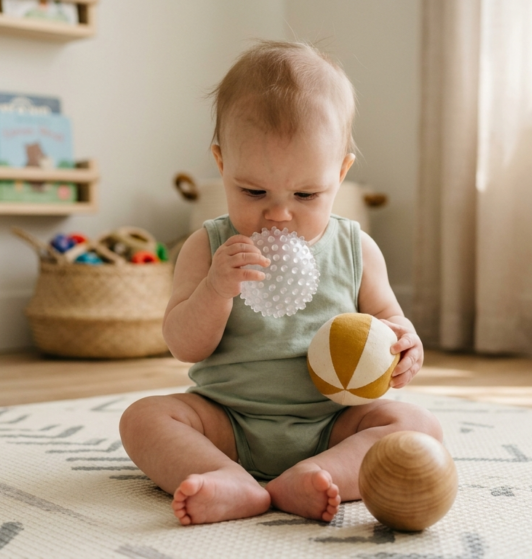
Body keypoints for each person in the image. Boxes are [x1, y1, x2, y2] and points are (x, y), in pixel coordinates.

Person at [119, 40, 442, 526]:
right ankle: (226, 477)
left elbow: (389, 320)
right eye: (253, 192)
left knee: (418, 426)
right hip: (227, 421)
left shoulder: (358, 250)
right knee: (142, 419)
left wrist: (404, 343)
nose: (279, 214)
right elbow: (184, 345)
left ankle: (316, 473)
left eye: (307, 194)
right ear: (222, 163)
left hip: (332, 422)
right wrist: (215, 289)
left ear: (341, 172)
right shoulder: (206, 248)